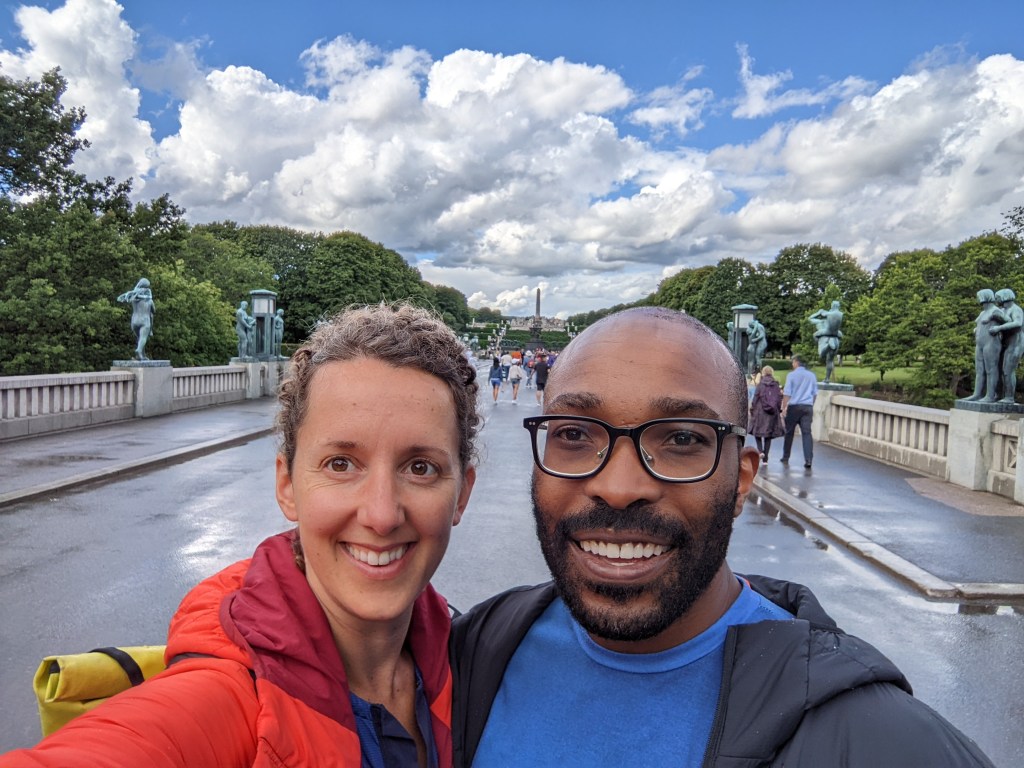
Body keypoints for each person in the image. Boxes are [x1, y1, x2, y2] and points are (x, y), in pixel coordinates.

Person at [449, 307, 994, 768]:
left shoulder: (892, 745)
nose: (618, 488)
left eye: (683, 439)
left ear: (743, 480)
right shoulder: (466, 655)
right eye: (572, 433)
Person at [3, 303, 479, 767]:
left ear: (462, 494)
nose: (381, 514)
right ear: (287, 485)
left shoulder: (477, 665)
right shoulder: (223, 694)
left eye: (421, 468)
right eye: (341, 464)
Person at [964, 289, 1007, 403]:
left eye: (979, 296)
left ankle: (990, 395)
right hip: (980, 344)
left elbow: (1008, 322)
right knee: (979, 370)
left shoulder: (996, 311)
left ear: (985, 297)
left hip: (991, 343)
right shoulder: (982, 313)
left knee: (991, 369)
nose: (978, 299)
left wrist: (998, 327)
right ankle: (977, 394)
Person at [780, 353, 817, 469]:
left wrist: (784, 408)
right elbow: (814, 394)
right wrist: (811, 404)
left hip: (794, 407)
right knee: (807, 433)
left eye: (793, 362)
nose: (792, 364)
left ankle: (786, 456)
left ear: (796, 362)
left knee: (789, 432)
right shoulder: (812, 376)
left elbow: (787, 393)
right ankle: (808, 459)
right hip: (807, 406)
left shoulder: (791, 375)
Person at [989, 288, 1023, 403]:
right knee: (998, 370)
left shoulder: (1016, 309)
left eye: (998, 298)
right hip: (1004, 343)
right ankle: (997, 395)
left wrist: (999, 328)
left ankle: (1009, 397)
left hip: (1016, 343)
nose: (996, 300)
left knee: (1007, 370)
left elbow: (1018, 323)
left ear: (1005, 297)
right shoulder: (1002, 310)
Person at [748, 364, 785, 463]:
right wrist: (778, 410)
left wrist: (752, 409)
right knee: (768, 436)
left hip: (760, 412)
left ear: (763, 373)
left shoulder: (760, 385)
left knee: (757, 433)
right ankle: (766, 459)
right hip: (772, 413)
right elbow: (779, 399)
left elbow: (755, 398)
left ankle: (760, 451)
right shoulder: (776, 385)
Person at [116, 278, 155, 361]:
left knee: (140, 338)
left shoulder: (133, 298)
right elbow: (153, 311)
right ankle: (139, 350)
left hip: (134, 321)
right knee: (143, 338)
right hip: (144, 321)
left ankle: (142, 356)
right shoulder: (149, 300)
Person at [808, 300, 844, 383]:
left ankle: (827, 346)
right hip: (835, 338)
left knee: (821, 354)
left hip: (825, 337)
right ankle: (827, 378)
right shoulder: (836, 315)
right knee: (830, 360)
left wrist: (818, 313)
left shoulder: (820, 322)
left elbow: (810, 318)